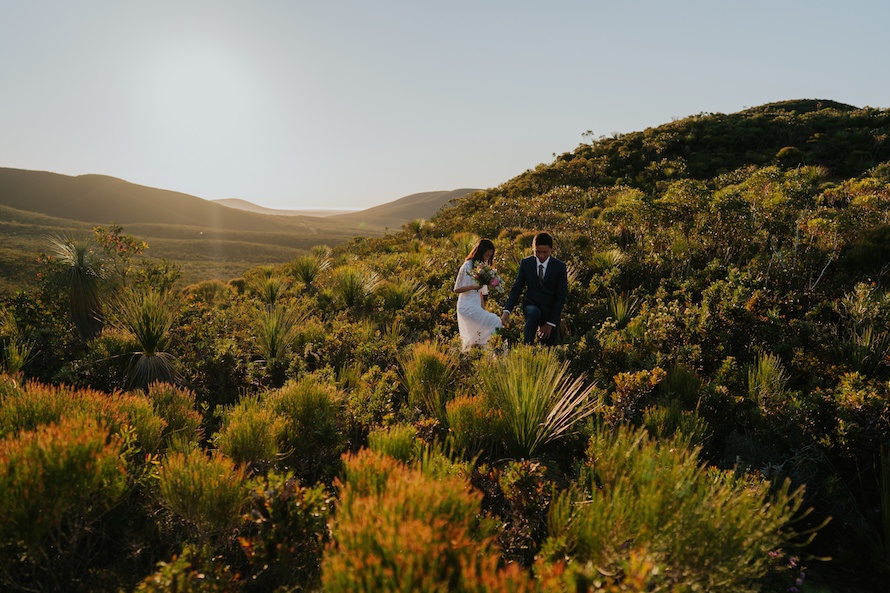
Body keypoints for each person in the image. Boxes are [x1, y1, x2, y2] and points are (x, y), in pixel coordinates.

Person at [500, 232, 568, 346]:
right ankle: (527, 346)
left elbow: (561, 297)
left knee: (549, 346)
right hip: (531, 306)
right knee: (534, 313)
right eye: (537, 252)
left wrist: (550, 323)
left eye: (545, 252)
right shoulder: (526, 263)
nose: (541, 255)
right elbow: (517, 289)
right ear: (533, 249)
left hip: (550, 311)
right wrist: (507, 311)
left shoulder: (559, 267)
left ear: (551, 249)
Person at [453, 238, 503, 351]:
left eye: (489, 256)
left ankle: (492, 352)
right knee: (495, 321)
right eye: (486, 255)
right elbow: (456, 289)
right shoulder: (467, 265)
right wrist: (473, 287)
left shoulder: (482, 268)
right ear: (480, 253)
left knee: (488, 325)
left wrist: (483, 310)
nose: (487, 259)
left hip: (476, 305)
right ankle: (496, 352)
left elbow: (481, 294)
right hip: (466, 305)